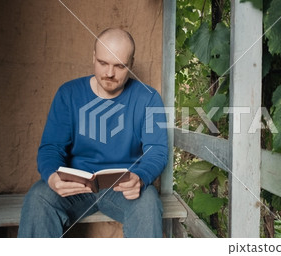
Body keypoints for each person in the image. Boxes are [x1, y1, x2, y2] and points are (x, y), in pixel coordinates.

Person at [18, 28, 168, 238]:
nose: (109, 73)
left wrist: (141, 178)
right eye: (103, 63)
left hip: (123, 188)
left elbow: (157, 150)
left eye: (119, 66)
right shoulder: (68, 93)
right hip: (75, 187)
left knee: (148, 201)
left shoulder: (149, 98)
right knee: (38, 197)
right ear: (93, 57)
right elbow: (51, 147)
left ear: (131, 64)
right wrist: (52, 177)